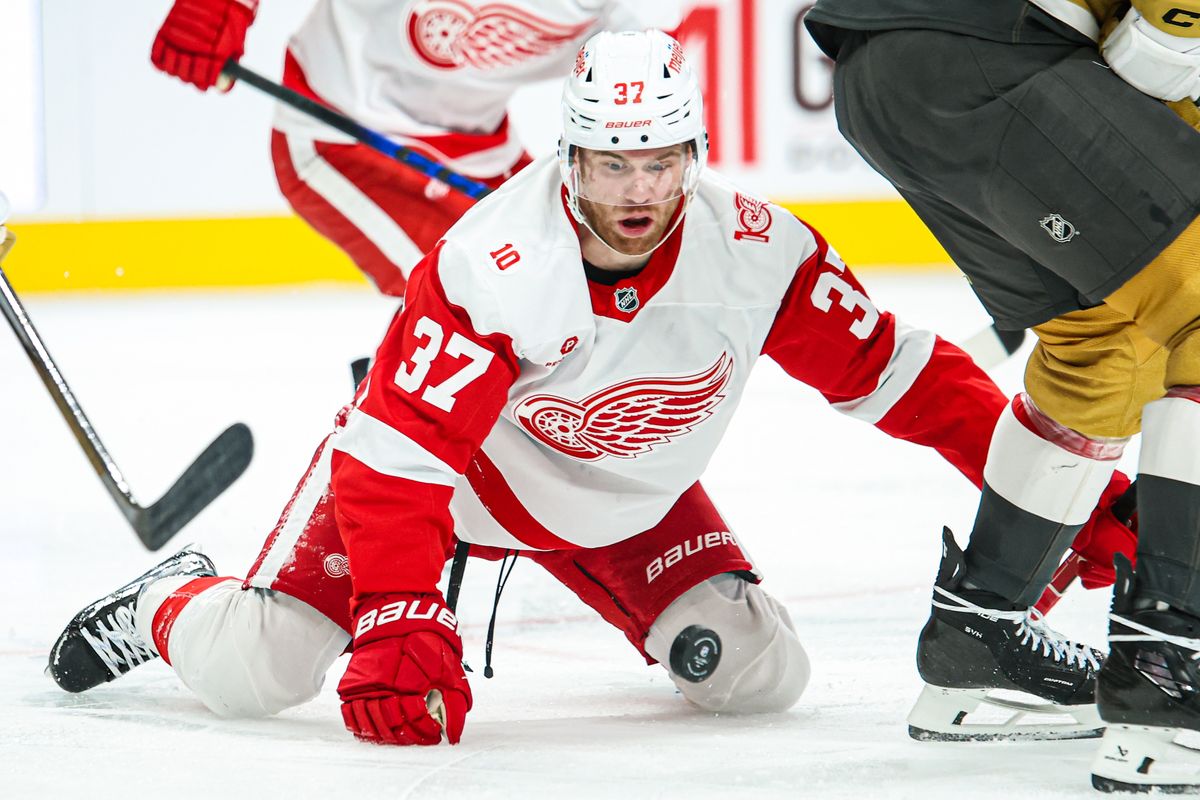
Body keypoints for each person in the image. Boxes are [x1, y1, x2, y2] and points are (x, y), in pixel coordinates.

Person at [49, 30, 1134, 748]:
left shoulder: (759, 251)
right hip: (459, 484)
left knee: (760, 673)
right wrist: (397, 611)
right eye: (611, 163)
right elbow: (395, 456)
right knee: (261, 671)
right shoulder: (490, 262)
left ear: (694, 154)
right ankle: (168, 596)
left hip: (624, 504)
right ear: (568, 158)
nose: (636, 190)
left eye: (658, 161)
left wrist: (1059, 506)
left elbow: (907, 380)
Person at [803, 0, 1200, 790]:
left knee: (1102, 350)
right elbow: (1155, 53)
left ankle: (978, 635)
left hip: (888, 71)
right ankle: (1170, 665)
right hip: (988, 57)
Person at [149, 0, 681, 296]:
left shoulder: (639, 12)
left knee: (582, 290)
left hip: (482, 149)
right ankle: (372, 469)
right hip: (343, 130)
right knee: (475, 298)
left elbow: (647, 95)